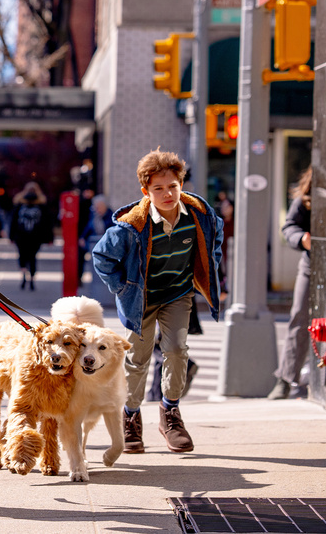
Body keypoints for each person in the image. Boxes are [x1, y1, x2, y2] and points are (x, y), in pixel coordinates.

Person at [92, 149, 223, 454]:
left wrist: (210, 269)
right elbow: (102, 257)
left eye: (173, 186)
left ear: (182, 184)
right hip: (141, 299)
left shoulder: (200, 215)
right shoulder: (132, 225)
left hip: (178, 293)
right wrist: (122, 288)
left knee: (177, 351)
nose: (167, 194)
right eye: (158, 189)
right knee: (137, 359)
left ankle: (170, 413)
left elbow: (215, 238)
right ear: (146, 191)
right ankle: (131, 417)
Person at [268, 166, 312, 400]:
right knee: (299, 318)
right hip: (311, 267)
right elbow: (289, 227)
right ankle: (286, 379)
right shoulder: (307, 198)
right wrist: (302, 239)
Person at [9, 181, 51, 290]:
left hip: (21, 236)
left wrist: (11, 236)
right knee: (32, 257)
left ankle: (24, 275)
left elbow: (13, 221)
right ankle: (31, 278)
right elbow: (47, 222)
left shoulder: (20, 204)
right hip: (35, 236)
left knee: (22, 256)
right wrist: (49, 237)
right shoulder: (41, 205)